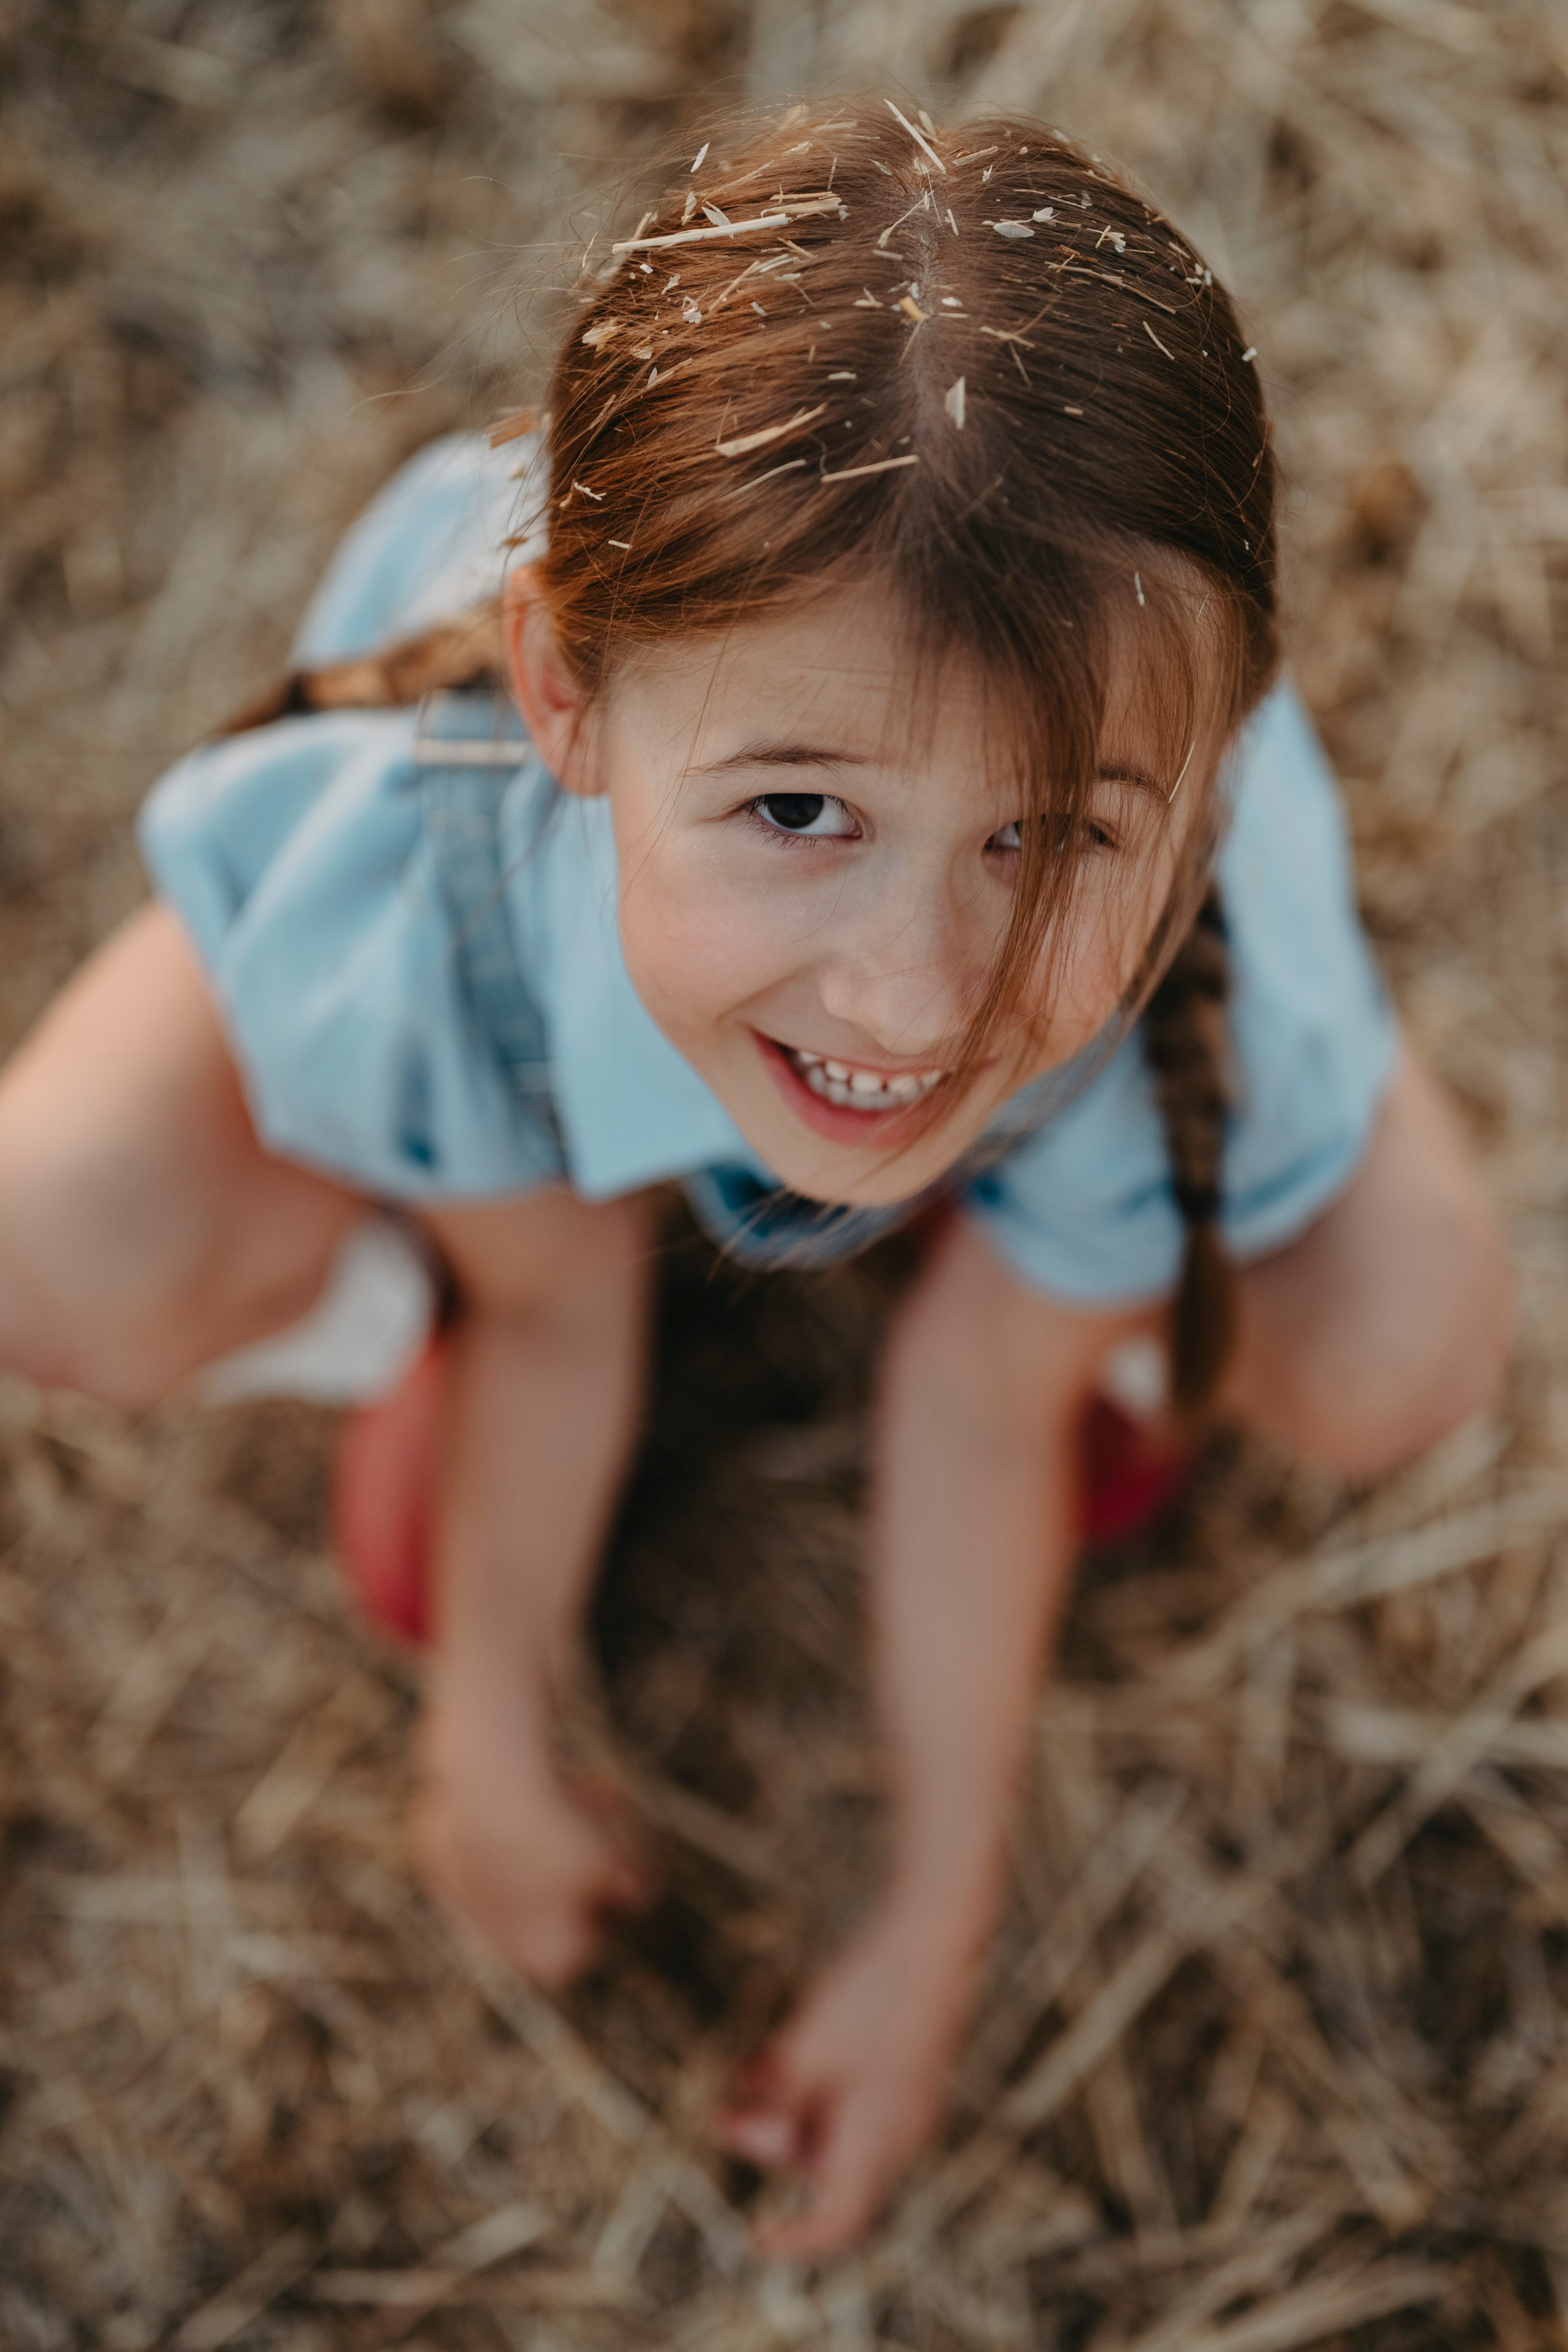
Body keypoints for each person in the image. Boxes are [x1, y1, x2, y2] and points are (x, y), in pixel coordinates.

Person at [0, 101, 1508, 2252]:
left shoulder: (1165, 920)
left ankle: (1048, 1225)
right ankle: (394, 1246)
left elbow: (988, 1415)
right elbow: (553, 1299)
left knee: (1396, 1343)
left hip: (1066, 1042)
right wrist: (484, 1731)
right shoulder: (465, 894)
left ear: (1224, 754)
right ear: (565, 697)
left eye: (1053, 833)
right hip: (526, 982)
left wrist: (928, 1927)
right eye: (798, 814)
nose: (918, 998)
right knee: (53, 1241)